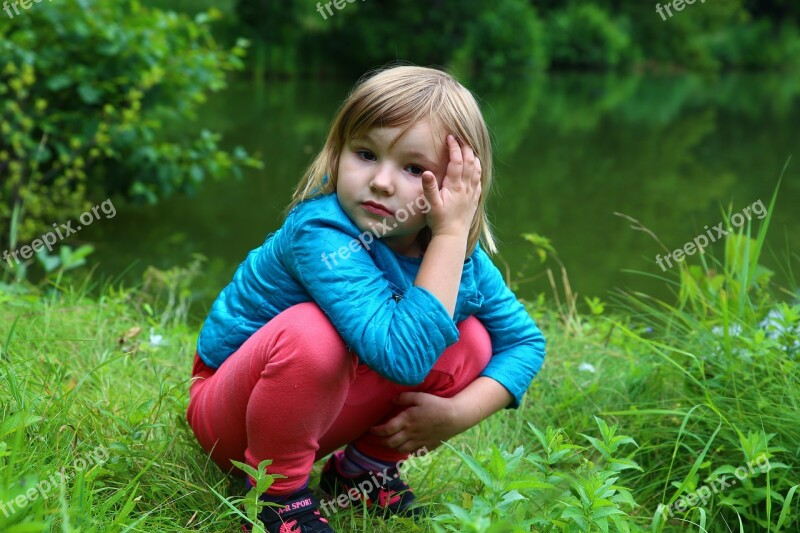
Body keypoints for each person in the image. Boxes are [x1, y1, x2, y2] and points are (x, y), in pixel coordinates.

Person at [185, 64, 546, 533]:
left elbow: (524, 344)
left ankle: (364, 470)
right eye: (365, 153)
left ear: (461, 187)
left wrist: (457, 414)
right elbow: (402, 357)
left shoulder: (463, 257)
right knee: (312, 333)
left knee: (474, 341)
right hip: (233, 414)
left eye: (414, 169)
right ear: (337, 152)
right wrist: (452, 233)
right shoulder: (322, 233)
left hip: (322, 414)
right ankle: (277, 500)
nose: (381, 181)